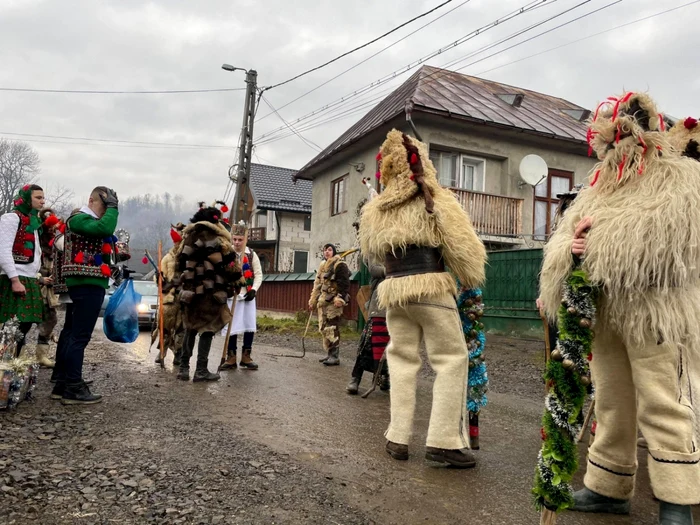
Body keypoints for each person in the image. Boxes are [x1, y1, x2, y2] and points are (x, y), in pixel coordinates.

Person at [539, 92, 700, 524]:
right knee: (611, 401)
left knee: (664, 401)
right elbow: (562, 245)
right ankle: (607, 487)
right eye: (608, 138)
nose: (615, 144)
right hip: (606, 312)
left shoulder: (682, 178)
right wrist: (572, 251)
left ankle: (677, 500)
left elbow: (670, 241)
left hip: (656, 311)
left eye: (625, 131)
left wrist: (594, 246)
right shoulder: (597, 188)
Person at [359, 129, 487, 468]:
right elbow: (465, 251)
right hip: (431, 287)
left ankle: (397, 437)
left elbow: (371, 256)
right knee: (450, 358)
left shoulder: (375, 210)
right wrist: (469, 280)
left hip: (394, 291)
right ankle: (444, 441)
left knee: (401, 358)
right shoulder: (435, 198)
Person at [51, 186, 119, 405]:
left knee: (72, 334)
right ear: (91, 200)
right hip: (86, 284)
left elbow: (102, 235)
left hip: (87, 283)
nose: (106, 211)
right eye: (104, 205)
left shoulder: (85, 222)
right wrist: (114, 208)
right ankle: (72, 387)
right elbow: (105, 227)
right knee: (79, 337)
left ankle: (64, 381)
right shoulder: (78, 219)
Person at [175, 202, 242, 382]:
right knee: (207, 329)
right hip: (210, 293)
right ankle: (201, 370)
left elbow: (178, 264)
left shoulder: (187, 238)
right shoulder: (220, 240)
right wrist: (238, 279)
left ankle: (183, 368)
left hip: (189, 292)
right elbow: (231, 267)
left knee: (190, 328)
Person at [0, 184, 46, 356]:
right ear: (27, 198)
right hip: (16, 278)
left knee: (23, 328)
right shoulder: (11, 218)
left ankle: (13, 371)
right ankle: (5, 369)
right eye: (38, 198)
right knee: (13, 329)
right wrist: (14, 280)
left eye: (43, 198)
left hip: (29, 278)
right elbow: (3, 251)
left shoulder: (32, 221)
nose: (43, 201)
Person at [220, 220, 263, 370]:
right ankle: (231, 357)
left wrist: (254, 290)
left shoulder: (251, 255)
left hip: (248, 297)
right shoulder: (227, 254)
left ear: (245, 239)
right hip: (232, 297)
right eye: (235, 239)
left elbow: (258, 275)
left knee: (248, 325)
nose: (237, 242)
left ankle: (246, 357)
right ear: (232, 238)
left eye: (240, 240)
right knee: (232, 326)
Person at [346, 262, 390, 394]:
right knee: (367, 343)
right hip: (379, 306)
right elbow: (374, 269)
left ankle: (385, 377)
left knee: (393, 346)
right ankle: (356, 378)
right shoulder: (376, 247)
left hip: (398, 306)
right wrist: (396, 269)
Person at [308, 243, 351, 366]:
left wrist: (340, 298)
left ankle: (334, 356)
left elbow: (344, 283)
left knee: (332, 327)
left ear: (334, 252)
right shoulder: (322, 266)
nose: (327, 252)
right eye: (325, 250)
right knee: (324, 327)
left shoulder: (339, 264)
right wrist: (313, 300)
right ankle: (329, 353)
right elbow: (317, 285)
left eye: (329, 250)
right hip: (324, 300)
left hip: (334, 301)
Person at [33, 208, 63, 368]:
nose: (53, 232)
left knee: (50, 319)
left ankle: (41, 356)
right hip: (33, 289)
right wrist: (41, 278)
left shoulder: (55, 248)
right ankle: (15, 354)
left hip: (48, 293)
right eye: (50, 230)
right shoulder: (36, 247)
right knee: (24, 323)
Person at [154, 222, 187, 366]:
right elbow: (159, 278)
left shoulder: (188, 257)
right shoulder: (167, 258)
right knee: (165, 327)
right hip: (169, 298)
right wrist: (159, 278)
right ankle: (162, 350)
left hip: (183, 298)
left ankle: (178, 353)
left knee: (181, 328)